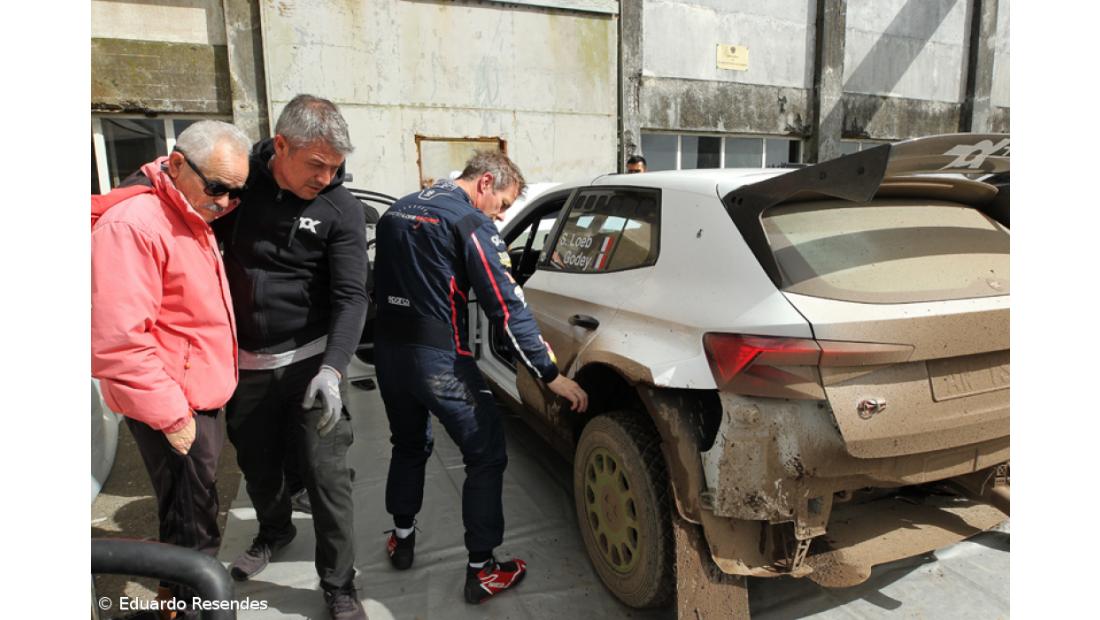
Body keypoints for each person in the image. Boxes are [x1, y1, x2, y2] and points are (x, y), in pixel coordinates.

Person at [373, 151, 588, 604]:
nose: (502, 213)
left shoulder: (398, 208)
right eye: (504, 203)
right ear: (486, 181)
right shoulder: (469, 222)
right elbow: (506, 308)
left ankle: (402, 537)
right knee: (486, 454)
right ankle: (482, 569)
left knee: (408, 444)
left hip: (389, 357)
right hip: (441, 361)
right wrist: (549, 374)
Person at [212, 94, 369, 620]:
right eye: (316, 164)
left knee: (326, 479)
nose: (326, 177)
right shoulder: (238, 185)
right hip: (245, 365)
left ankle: (340, 584)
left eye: (336, 167)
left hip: (310, 363)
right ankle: (274, 529)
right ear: (280, 146)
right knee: (259, 468)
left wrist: (333, 368)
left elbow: (352, 296)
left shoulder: (339, 209)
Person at [92, 120, 250, 617]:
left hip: (190, 396)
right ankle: (190, 606)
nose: (225, 202)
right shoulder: (136, 224)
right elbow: (117, 342)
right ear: (178, 164)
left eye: (236, 193)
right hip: (173, 405)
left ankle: (177, 597)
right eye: (218, 188)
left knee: (190, 508)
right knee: (192, 521)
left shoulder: (185, 209)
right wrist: (174, 417)